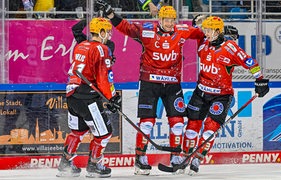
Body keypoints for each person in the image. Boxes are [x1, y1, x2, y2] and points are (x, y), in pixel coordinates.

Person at [98, 2, 205, 175]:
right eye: (166, 20)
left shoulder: (183, 31)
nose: (170, 23)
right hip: (149, 83)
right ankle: (140, 159)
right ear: (159, 19)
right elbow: (126, 28)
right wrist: (111, 15)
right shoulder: (147, 30)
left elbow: (204, 34)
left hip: (173, 84)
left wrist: (206, 25)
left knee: (177, 123)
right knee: (147, 123)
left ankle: (175, 157)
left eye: (172, 20)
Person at [180, 16, 269, 175]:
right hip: (201, 92)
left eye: (209, 30)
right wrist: (195, 23)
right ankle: (184, 157)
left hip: (221, 95)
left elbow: (250, 62)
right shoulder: (203, 43)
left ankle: (196, 159)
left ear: (218, 31)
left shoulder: (230, 48)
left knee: (210, 129)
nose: (205, 33)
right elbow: (192, 32)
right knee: (192, 127)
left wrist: (260, 80)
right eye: (205, 30)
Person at [56, 17, 121, 178]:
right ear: (101, 31)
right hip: (87, 97)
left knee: (78, 131)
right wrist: (112, 97)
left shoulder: (81, 45)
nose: (110, 35)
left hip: (72, 94)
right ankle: (94, 165)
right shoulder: (101, 49)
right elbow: (103, 77)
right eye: (108, 31)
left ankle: (65, 163)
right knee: (104, 133)